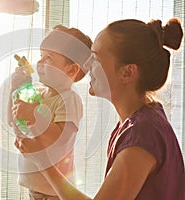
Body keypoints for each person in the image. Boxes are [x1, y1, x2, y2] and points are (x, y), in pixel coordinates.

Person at [13, 18, 185, 200]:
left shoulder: (144, 133)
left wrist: (44, 164)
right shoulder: (136, 125)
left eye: (95, 59)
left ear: (127, 72)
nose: (86, 67)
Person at [8, 25, 93, 200]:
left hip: (54, 193)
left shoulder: (69, 100)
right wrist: (14, 89)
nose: (39, 63)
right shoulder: (37, 93)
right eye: (40, 56)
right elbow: (13, 120)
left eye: (48, 58)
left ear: (71, 70)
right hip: (34, 190)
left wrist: (33, 117)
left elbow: (59, 139)